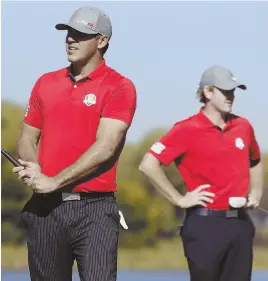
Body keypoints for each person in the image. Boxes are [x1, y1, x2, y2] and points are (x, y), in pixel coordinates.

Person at [13, 6, 136, 281]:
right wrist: (34, 170)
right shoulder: (46, 82)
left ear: (102, 41)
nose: (70, 39)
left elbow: (106, 147)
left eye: (80, 34)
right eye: (68, 32)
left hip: (95, 211)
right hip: (45, 209)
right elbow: (26, 138)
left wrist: (54, 181)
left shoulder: (119, 87)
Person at [139, 65, 264, 281]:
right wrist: (179, 199)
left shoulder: (243, 126)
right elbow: (148, 164)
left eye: (233, 91)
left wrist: (257, 192)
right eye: (225, 91)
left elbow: (255, 160)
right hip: (204, 226)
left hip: (240, 225)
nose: (231, 96)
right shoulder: (186, 129)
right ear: (208, 92)